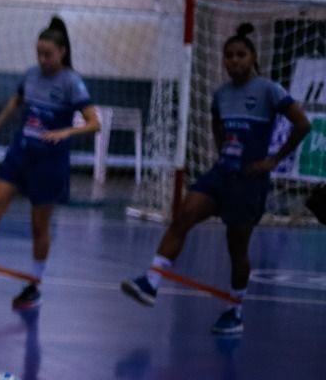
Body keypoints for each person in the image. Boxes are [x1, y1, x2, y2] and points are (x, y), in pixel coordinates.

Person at [121, 23, 311, 334]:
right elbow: (217, 125)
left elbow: (302, 125)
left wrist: (273, 160)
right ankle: (151, 281)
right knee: (183, 215)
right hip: (221, 174)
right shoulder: (221, 94)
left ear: (252, 57)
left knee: (236, 249)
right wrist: (222, 151)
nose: (234, 61)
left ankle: (234, 312)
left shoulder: (268, 90)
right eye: (229, 56)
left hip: (249, 181)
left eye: (240, 54)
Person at [0, 17, 100, 309]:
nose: (42, 59)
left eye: (48, 54)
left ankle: (34, 286)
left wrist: (67, 130)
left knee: (39, 226)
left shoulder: (71, 82)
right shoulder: (31, 75)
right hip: (21, 153)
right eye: (39, 53)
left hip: (49, 162)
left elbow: (94, 123)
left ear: (62, 52)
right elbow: (16, 102)